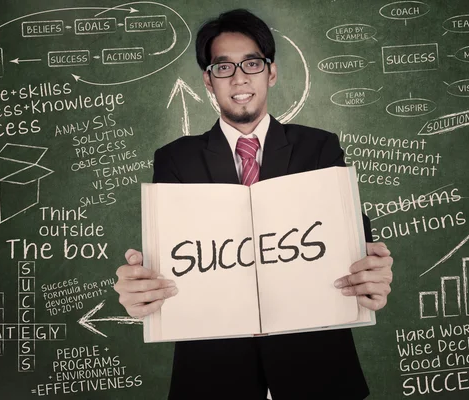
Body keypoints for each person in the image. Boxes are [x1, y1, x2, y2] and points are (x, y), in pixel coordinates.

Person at [115, 9, 393, 400]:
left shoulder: (319, 147)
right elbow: (175, 256)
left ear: (271, 72)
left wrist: (372, 269)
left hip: (316, 368)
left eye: (251, 63)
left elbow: (352, 240)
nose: (240, 77)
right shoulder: (176, 159)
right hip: (214, 374)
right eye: (223, 67)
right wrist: (143, 287)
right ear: (208, 81)